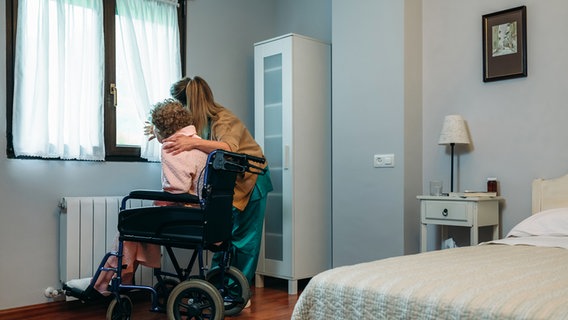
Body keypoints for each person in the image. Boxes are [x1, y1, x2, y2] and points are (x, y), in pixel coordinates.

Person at [163, 76, 273, 289]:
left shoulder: (224, 119)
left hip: (252, 179)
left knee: (244, 239)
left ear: (188, 103)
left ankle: (236, 291)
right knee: (221, 234)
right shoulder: (198, 121)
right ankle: (217, 285)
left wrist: (192, 142)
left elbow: (229, 148)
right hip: (229, 183)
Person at [94, 98, 208, 295]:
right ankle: (119, 278)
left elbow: (178, 189)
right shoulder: (201, 145)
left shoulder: (172, 147)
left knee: (128, 226)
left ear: (162, 128)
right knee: (138, 226)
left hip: (183, 217)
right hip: (203, 216)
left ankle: (110, 280)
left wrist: (161, 199)